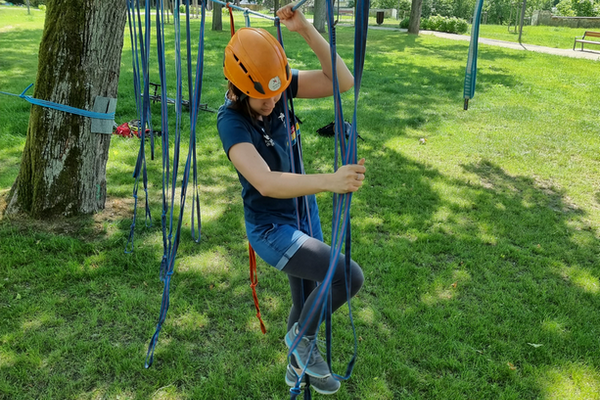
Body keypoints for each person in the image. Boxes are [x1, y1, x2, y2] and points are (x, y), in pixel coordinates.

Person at [217, 3, 365, 395]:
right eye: (260, 97)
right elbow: (264, 182)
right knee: (346, 276)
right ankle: (301, 345)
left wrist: (303, 30)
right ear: (237, 89)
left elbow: (343, 81)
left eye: (278, 91)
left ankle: (295, 365)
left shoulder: (278, 85)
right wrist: (329, 181)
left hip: (302, 211)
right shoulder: (230, 121)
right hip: (271, 228)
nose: (272, 101)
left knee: (305, 301)